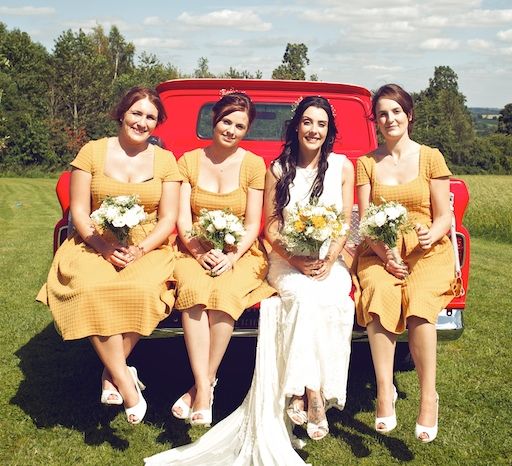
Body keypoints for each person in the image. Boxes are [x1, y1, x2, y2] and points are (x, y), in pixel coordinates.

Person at [145, 95, 354, 465]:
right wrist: (296, 259)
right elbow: (270, 226)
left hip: (319, 260)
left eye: (321, 124)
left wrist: (331, 257)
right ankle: (210, 385)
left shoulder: (338, 166)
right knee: (295, 298)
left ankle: (311, 391)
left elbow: (346, 221)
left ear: (330, 130)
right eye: (307, 121)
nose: (314, 129)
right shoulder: (276, 168)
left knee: (330, 299)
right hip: (282, 258)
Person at [37, 86, 182, 425]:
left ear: (157, 123)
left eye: (150, 116)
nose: (142, 122)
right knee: (89, 290)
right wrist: (103, 247)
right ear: (122, 113)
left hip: (147, 245)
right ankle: (128, 384)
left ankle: (110, 372)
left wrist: (140, 249)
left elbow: (168, 218)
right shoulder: (91, 152)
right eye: (136, 113)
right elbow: (79, 212)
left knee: (145, 291)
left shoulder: (166, 160)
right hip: (94, 242)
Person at [354, 83, 455, 443]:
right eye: (382, 113)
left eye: (396, 111)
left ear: (408, 115)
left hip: (428, 251)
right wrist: (386, 255)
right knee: (380, 295)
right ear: (375, 121)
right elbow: (366, 221)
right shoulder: (366, 163)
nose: (389, 118)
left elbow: (444, 215)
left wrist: (432, 233)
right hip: (381, 251)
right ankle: (385, 392)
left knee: (418, 301)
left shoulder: (431, 157)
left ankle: (429, 397)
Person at [170, 91, 275, 426]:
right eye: (226, 121)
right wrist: (199, 251)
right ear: (213, 121)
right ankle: (205, 386)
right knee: (193, 293)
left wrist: (230, 257)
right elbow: (183, 218)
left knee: (226, 295)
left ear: (247, 130)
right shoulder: (188, 161)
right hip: (193, 248)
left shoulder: (254, 165)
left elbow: (252, 223)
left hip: (241, 253)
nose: (231, 129)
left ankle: (201, 387)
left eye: (239, 125)